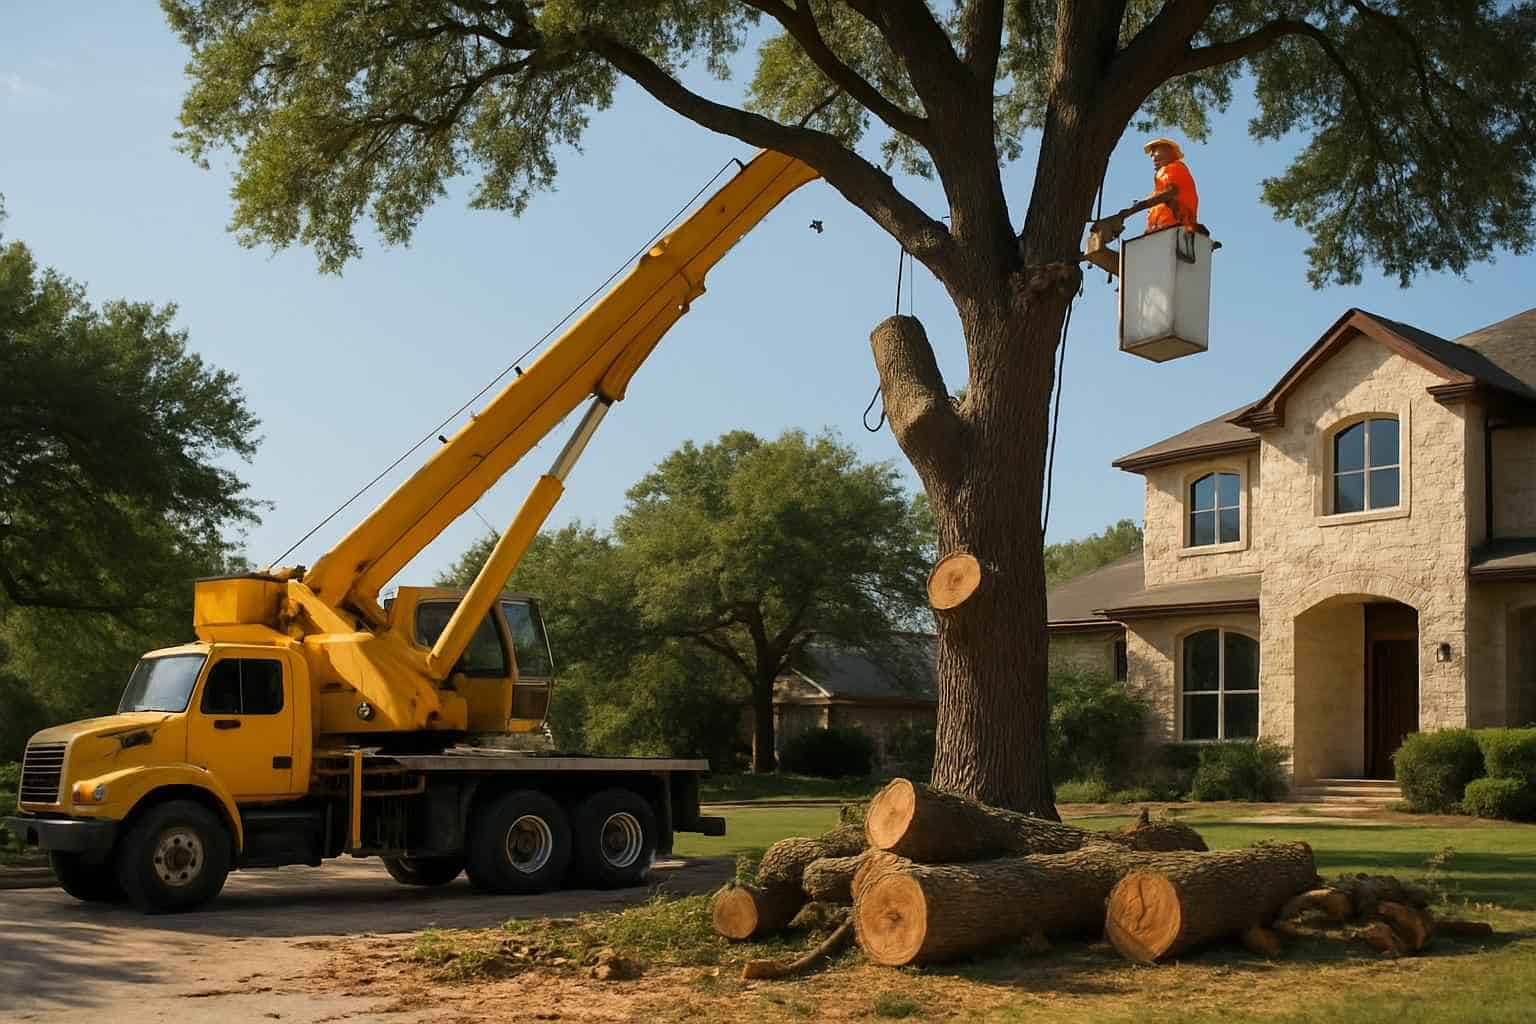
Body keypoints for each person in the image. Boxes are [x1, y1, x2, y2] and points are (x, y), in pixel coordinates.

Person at [1142, 138, 1198, 232]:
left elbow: (1171, 192)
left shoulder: (1173, 167)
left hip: (1172, 228)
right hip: (1168, 230)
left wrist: (1142, 205)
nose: (1152, 156)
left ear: (1169, 152)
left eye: (1155, 150)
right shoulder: (1165, 177)